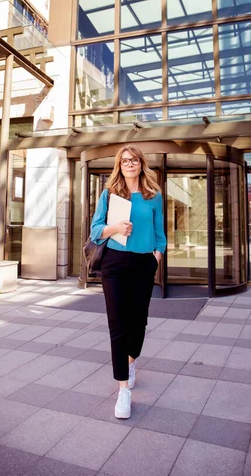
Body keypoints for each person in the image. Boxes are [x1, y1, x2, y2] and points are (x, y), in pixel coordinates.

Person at [90, 145, 166, 419]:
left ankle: (130, 361)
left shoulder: (153, 196)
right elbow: (96, 230)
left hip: (143, 262)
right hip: (115, 263)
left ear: (141, 163)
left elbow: (160, 232)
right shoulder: (110, 194)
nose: (129, 164)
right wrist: (115, 228)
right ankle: (123, 389)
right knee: (117, 324)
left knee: (139, 321)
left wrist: (156, 256)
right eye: (124, 161)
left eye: (134, 160)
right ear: (119, 165)